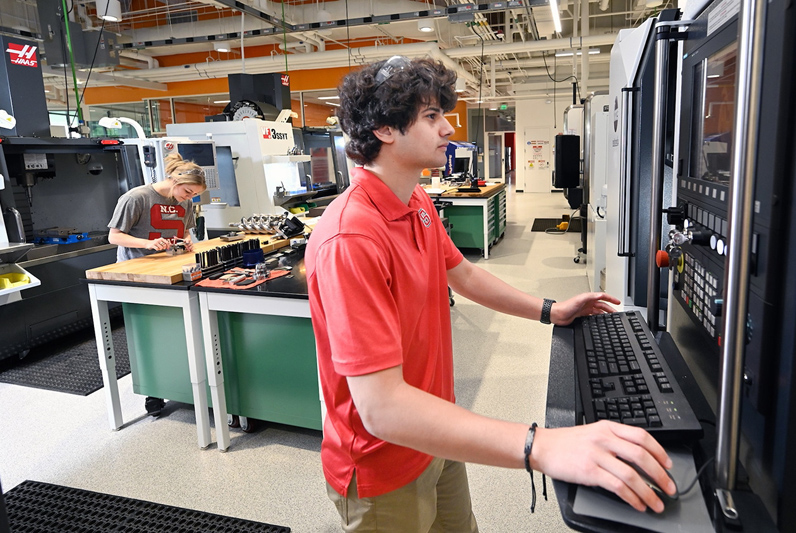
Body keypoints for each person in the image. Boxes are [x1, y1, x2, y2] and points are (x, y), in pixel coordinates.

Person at [305, 56, 677, 532]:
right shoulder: (351, 239)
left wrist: (550, 311)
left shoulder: (415, 200)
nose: (448, 127)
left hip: (436, 432)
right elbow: (382, 408)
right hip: (383, 465)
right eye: (431, 116)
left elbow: (463, 275)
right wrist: (539, 446)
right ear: (383, 129)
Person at [107, 153, 206, 262]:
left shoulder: (186, 202)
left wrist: (187, 241)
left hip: (168, 262)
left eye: (195, 194)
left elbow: (185, 231)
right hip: (136, 264)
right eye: (188, 191)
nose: (190, 197)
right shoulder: (136, 198)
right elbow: (114, 237)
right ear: (174, 180)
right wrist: (148, 243)